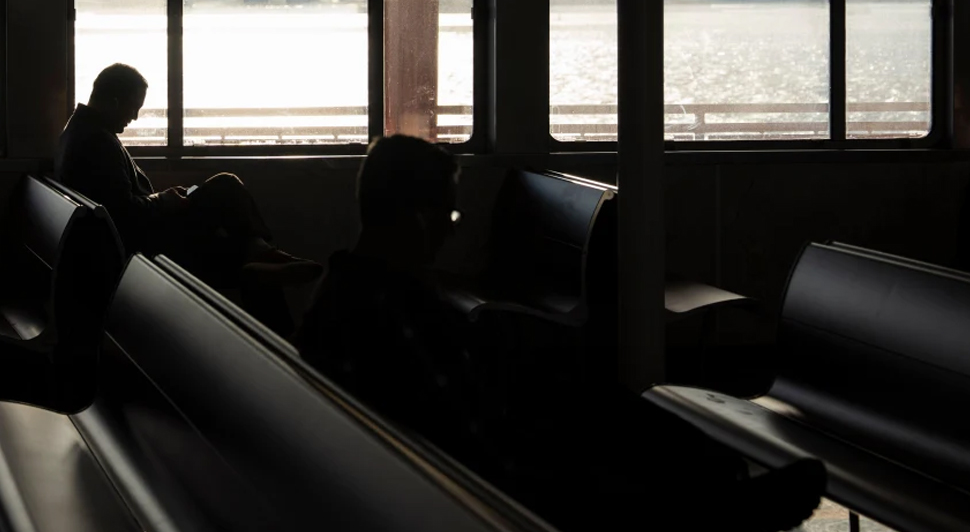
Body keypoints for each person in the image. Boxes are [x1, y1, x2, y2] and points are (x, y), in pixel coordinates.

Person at [296, 135, 824, 532]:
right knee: (614, 432)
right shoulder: (396, 310)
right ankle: (727, 505)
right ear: (418, 219)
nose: (451, 231)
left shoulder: (345, 292)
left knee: (599, 402)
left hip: (433, 461)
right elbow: (477, 439)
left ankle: (725, 495)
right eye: (449, 215)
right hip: (482, 485)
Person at [56, 64, 323, 293]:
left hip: (131, 234)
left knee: (222, 213)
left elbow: (116, 204)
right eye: (133, 108)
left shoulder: (78, 132)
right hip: (144, 239)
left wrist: (162, 198)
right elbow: (124, 212)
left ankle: (256, 258)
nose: (134, 117)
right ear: (114, 102)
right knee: (225, 186)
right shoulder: (98, 142)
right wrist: (163, 200)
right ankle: (258, 256)